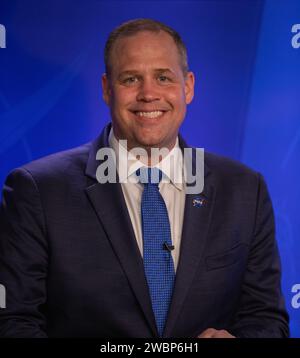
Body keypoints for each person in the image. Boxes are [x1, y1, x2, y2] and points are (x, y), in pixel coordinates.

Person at [0, 18, 289, 338]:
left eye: (163, 77)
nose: (148, 94)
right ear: (107, 89)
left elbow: (265, 318)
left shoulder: (245, 190)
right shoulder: (38, 190)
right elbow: (14, 321)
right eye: (131, 79)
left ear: (188, 87)